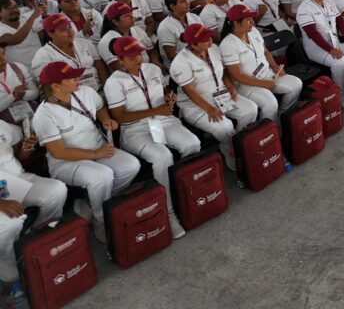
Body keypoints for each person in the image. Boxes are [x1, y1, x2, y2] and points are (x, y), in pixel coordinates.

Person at [33, 61, 140, 243]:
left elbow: (100, 108)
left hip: (97, 147)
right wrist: (95, 154)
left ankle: (96, 204)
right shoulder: (44, 115)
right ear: (55, 86)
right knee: (101, 176)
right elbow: (59, 152)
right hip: (67, 162)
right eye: (72, 77)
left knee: (131, 166)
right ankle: (101, 219)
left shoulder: (85, 92)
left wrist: (106, 120)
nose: (78, 78)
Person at [103, 36, 198, 239]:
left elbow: (162, 89)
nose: (137, 58)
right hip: (135, 130)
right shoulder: (114, 83)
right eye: (130, 56)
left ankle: (189, 194)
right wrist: (154, 110)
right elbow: (119, 116)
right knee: (162, 156)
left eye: (138, 53)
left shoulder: (152, 69)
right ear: (119, 59)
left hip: (163, 120)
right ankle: (168, 212)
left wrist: (167, 96)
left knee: (193, 143)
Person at [0, 107, 67, 302]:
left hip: (17, 179)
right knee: (10, 224)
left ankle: (37, 243)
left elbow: (19, 156)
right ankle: (11, 278)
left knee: (56, 190)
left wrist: (26, 148)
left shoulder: (3, 126)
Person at [170, 24, 259, 171]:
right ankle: (229, 149)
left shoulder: (214, 49)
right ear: (193, 45)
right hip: (197, 105)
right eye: (205, 38)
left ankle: (240, 146)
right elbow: (189, 91)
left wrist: (229, 86)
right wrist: (209, 108)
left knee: (250, 109)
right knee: (225, 127)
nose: (210, 39)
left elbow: (222, 72)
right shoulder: (181, 63)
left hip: (221, 94)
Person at [220, 4, 302, 125]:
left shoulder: (253, 32)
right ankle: (269, 130)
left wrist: (274, 66)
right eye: (248, 20)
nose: (252, 22)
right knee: (270, 103)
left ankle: (284, 115)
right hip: (246, 84)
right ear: (236, 23)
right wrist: (263, 84)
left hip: (266, 73)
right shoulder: (228, 44)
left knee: (296, 84)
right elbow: (237, 76)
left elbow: (265, 52)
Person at [32, 13, 108, 92]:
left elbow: (101, 68)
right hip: (71, 97)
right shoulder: (43, 55)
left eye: (70, 27)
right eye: (63, 29)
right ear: (51, 34)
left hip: (98, 91)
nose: (70, 32)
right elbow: (47, 85)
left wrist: (106, 90)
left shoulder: (85, 43)